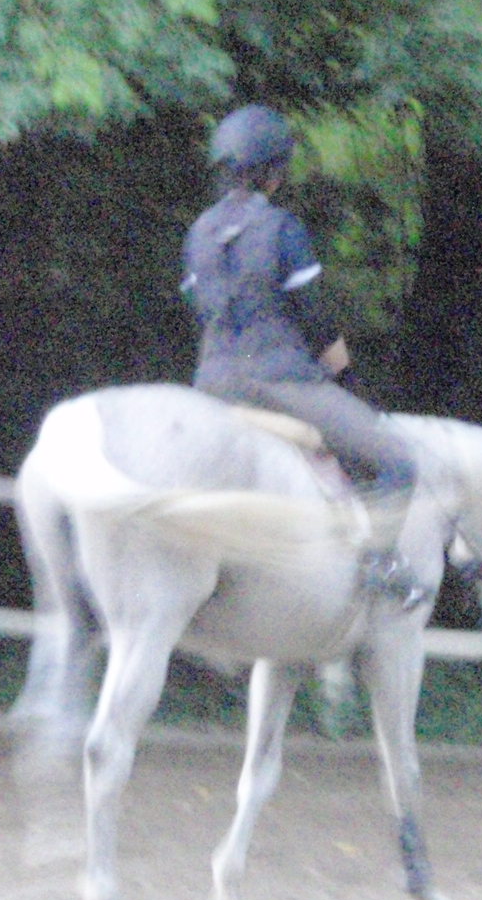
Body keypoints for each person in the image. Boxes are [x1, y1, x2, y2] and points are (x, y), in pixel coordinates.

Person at [180, 104, 424, 610]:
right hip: (279, 381)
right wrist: (345, 378)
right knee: (398, 460)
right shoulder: (282, 228)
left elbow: (199, 311)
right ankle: (380, 563)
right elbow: (315, 319)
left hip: (212, 382)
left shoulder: (198, 233)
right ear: (274, 171)